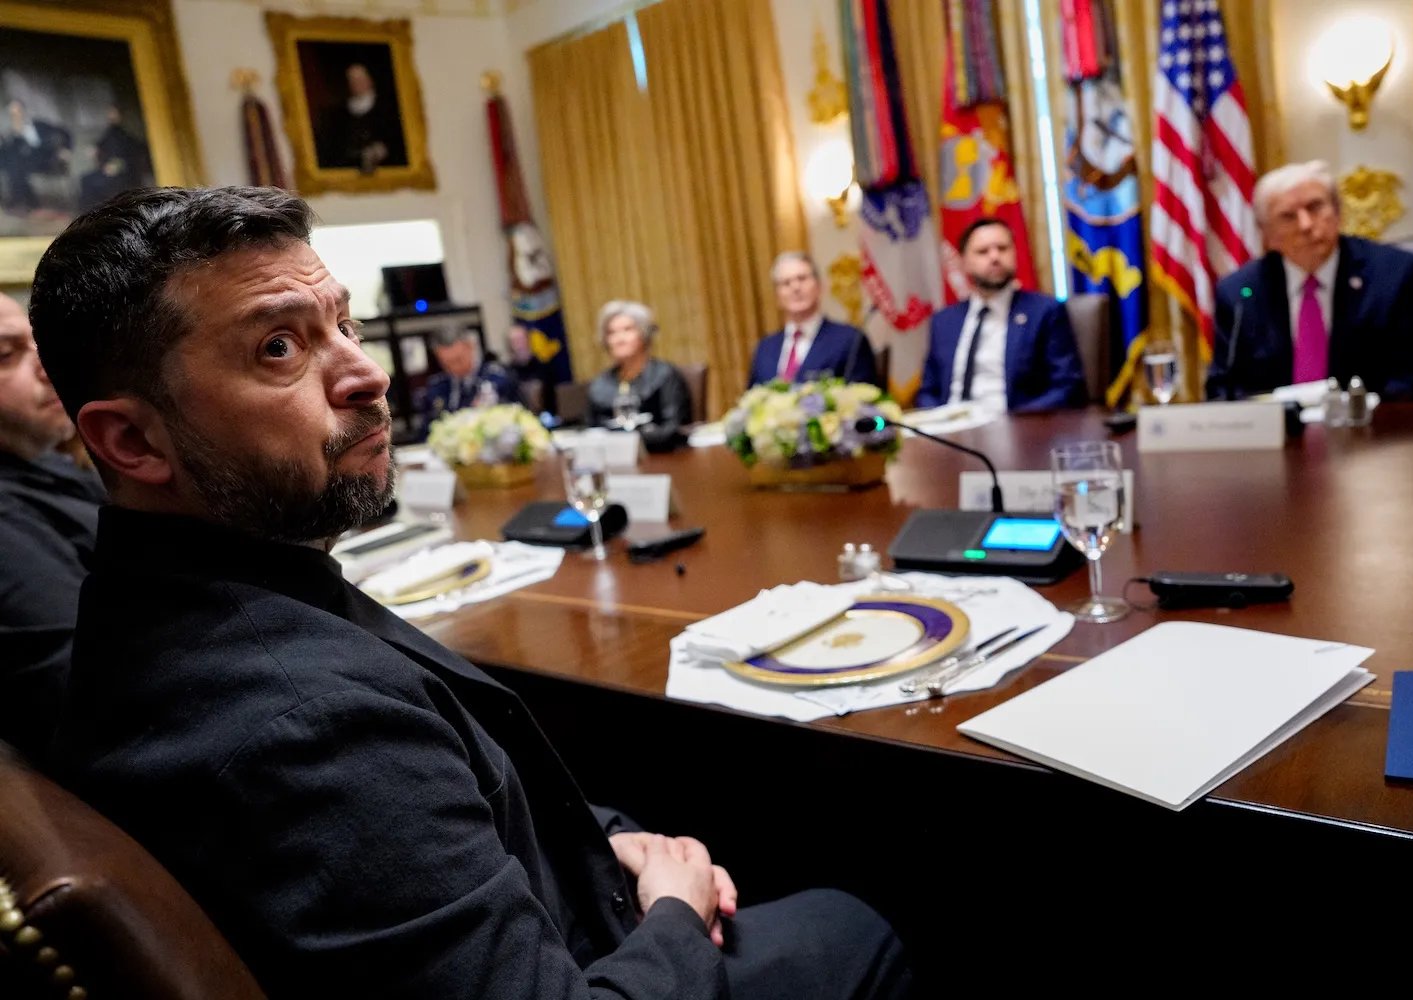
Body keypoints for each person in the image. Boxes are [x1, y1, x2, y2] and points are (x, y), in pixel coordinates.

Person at [32, 186, 911, 1000]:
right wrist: (675, 910)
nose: (366, 374)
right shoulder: (300, 729)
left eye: (346, 324)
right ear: (134, 441)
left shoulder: (157, 601)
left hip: (558, 899)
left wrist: (596, 847)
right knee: (860, 921)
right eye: (279, 347)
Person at [1205, 160, 1413, 401]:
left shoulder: (1394, 275)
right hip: (1281, 433)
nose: (1306, 225)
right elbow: (1223, 390)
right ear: (1267, 235)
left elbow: (1409, 381)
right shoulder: (1239, 293)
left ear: (1338, 213)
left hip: (1368, 430)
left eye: (1315, 207)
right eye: (1288, 216)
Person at [0, 292, 106, 762]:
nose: (48, 367)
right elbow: (91, 693)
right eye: (7, 355)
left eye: (37, 344)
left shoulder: (44, 462)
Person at [915, 218, 1087, 411]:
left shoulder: (1044, 311)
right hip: (950, 428)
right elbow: (928, 391)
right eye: (983, 251)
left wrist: (1012, 421)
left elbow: (1068, 387)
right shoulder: (944, 321)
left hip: (1015, 427)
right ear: (964, 262)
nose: (995, 257)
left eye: (1003, 248)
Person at [747, 252, 878, 388]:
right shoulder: (765, 349)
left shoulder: (850, 340)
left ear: (819, 286)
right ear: (777, 296)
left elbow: (865, 401)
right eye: (786, 283)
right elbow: (750, 402)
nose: (795, 287)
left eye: (802, 279)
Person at [585, 300, 693, 452]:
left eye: (627, 330)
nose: (619, 339)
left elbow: (674, 428)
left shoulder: (665, 375)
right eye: (611, 333)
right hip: (614, 462)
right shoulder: (599, 384)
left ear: (643, 333)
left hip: (664, 458)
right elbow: (591, 432)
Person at [422, 324, 521, 429]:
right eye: (446, 364)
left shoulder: (498, 377)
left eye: (458, 360)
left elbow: (517, 417)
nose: (453, 368)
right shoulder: (436, 387)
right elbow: (427, 429)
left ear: (470, 346)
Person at [316, 63, 407, 173]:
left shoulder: (387, 107)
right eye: (352, 80)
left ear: (370, 80)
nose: (356, 84)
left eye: (360, 79)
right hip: (350, 169)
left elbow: (397, 141)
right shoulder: (339, 113)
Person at [0, 98, 73, 213]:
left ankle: (22, 202)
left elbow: (65, 131)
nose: (15, 116)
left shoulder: (39, 125)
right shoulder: (10, 133)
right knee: (14, 163)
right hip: (25, 164)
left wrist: (66, 149)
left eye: (17, 112)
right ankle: (28, 203)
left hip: (46, 160)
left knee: (16, 166)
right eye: (12, 114)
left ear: (23, 112)